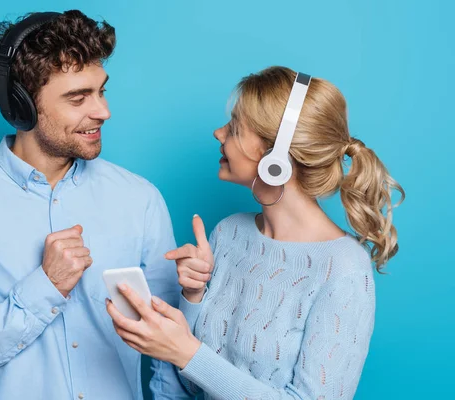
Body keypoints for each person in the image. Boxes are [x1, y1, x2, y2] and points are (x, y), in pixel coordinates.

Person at [0, 10, 189, 400]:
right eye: (78, 98)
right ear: (20, 106)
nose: (102, 112)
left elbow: (169, 351)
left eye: (101, 91)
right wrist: (45, 287)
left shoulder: (139, 199)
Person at [106, 66, 404, 400]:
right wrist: (193, 295)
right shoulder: (228, 234)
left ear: (275, 158)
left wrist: (187, 352)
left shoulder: (344, 268)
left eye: (234, 127)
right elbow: (193, 384)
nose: (219, 134)